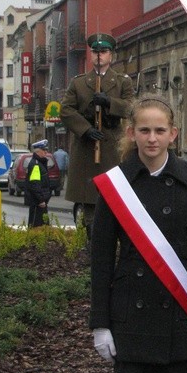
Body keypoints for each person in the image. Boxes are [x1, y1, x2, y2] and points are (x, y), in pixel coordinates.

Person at [89, 94, 187, 373]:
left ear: (172, 134)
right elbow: (102, 258)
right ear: (132, 132)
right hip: (128, 308)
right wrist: (100, 324)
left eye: (160, 131)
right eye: (144, 130)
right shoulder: (115, 184)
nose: (152, 138)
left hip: (177, 305)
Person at [60, 33, 133, 238]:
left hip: (112, 146)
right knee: (90, 201)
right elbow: (66, 110)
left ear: (111, 55)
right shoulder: (79, 83)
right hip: (86, 148)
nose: (99, 55)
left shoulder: (121, 82)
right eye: (95, 52)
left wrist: (109, 102)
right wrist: (85, 129)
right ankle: (91, 242)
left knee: (114, 198)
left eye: (104, 51)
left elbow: (131, 107)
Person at [25, 139, 52, 227]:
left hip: (40, 202)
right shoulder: (36, 165)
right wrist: (40, 200)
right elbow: (34, 184)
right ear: (38, 151)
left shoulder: (39, 163)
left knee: (43, 228)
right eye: (44, 150)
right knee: (37, 227)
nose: (46, 152)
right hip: (38, 203)